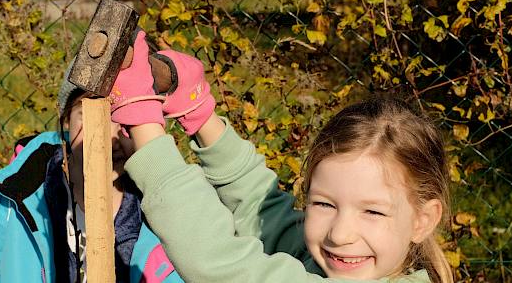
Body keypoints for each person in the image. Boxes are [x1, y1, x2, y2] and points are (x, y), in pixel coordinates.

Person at [106, 31, 453, 282]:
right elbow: (264, 209)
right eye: (324, 204)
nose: (341, 234)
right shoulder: (349, 265)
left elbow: (219, 264)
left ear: (423, 220)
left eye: (373, 211)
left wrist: (143, 124)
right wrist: (200, 115)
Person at [0, 39, 183, 283]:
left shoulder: (172, 212)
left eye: (126, 119)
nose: (108, 137)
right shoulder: (1, 203)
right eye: (90, 114)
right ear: (66, 118)